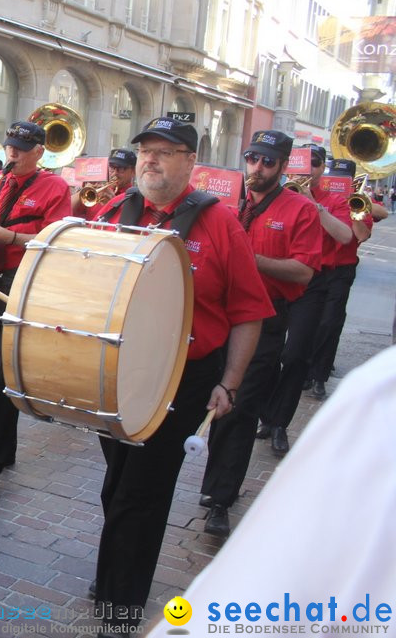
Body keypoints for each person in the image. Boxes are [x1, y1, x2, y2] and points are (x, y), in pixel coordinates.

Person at [89, 116, 270, 635]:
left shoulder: (220, 224)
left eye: (167, 152)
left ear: (191, 162)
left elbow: (249, 311)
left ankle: (119, 609)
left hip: (182, 377)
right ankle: (113, 571)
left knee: (139, 496)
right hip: (116, 373)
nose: (151, 160)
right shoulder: (113, 211)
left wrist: (229, 382)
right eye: (146, 150)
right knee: (118, 482)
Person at [148, 344, 396, 637]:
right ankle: (217, 491)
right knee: (238, 405)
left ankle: (264, 440)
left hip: (281, 311)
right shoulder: (380, 393)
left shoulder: (379, 398)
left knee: (290, 360)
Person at [200, 130, 322, 537]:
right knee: (210, 400)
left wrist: (248, 259)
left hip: (263, 319)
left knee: (240, 406)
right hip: (214, 314)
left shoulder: (300, 209)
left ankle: (220, 497)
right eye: (253, 158)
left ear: (283, 166)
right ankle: (214, 482)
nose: (258, 167)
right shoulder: (222, 203)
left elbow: (303, 271)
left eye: (268, 162)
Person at [0, 119, 72, 500]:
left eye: (21, 149)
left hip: (20, 281)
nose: (12, 153)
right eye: (10, 146)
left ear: (39, 153)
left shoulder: (56, 187)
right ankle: (4, 447)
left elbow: (56, 239)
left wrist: (8, 236)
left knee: (1, 375)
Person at [255, 145, 351, 452]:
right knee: (268, 353)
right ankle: (267, 416)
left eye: (315, 165)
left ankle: (280, 423)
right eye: (301, 165)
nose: (307, 171)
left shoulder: (335, 199)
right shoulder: (271, 196)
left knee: (295, 355)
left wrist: (312, 205)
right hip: (277, 280)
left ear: (323, 169)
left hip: (315, 282)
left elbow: (346, 236)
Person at [306, 158, 375, 399]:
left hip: (341, 270)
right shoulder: (318, 196)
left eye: (343, 179)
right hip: (316, 268)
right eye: (335, 176)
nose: (337, 183)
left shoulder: (359, 204)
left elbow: (362, 235)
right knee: (309, 322)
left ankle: (319, 376)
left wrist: (356, 209)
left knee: (330, 323)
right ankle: (305, 370)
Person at [71, 148, 136, 220]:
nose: (114, 173)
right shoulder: (98, 193)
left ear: (133, 171)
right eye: (112, 167)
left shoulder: (135, 199)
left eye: (121, 169)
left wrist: (113, 204)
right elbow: (67, 208)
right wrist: (83, 191)